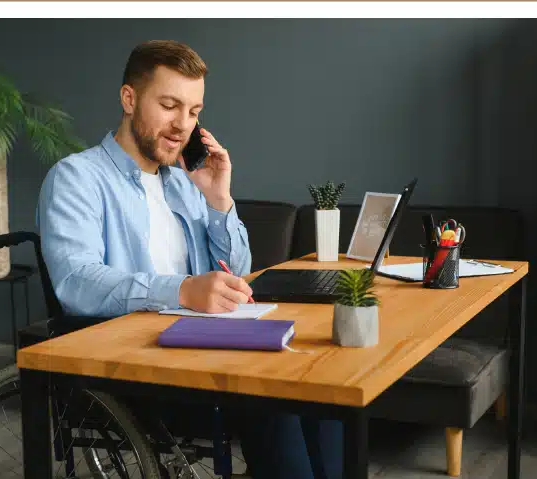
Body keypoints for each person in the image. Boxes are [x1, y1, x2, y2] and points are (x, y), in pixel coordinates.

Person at [36, 40, 342, 479]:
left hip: (199, 348)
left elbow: (235, 274)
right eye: (169, 105)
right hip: (132, 363)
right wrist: (180, 289)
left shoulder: (184, 184)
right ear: (128, 98)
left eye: (194, 111)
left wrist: (219, 199)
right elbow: (77, 282)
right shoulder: (76, 179)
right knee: (272, 404)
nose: (183, 125)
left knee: (323, 389)